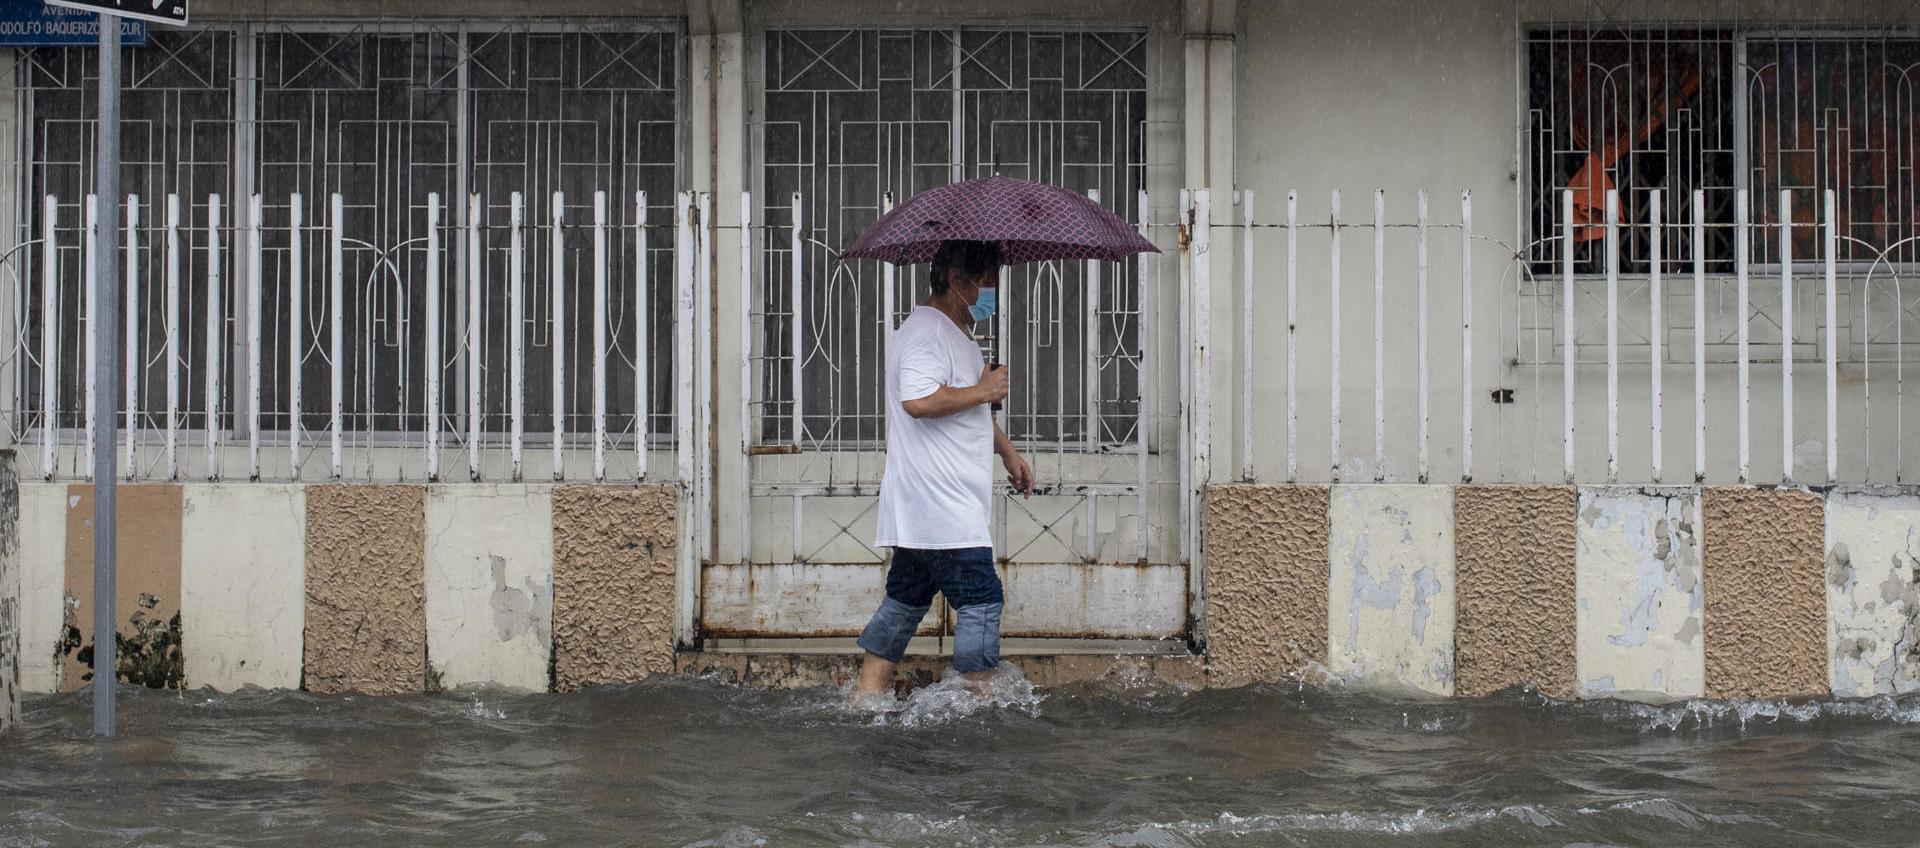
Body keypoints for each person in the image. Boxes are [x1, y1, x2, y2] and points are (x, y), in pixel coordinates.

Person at [854, 239, 1034, 698]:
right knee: (981, 599)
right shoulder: (927, 334)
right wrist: (984, 389)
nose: (991, 296)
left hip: (927, 510)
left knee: (904, 602)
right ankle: (975, 702)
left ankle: (865, 700)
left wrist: (1007, 452)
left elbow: (963, 407)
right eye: (987, 285)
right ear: (957, 281)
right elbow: (917, 401)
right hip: (943, 509)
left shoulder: (956, 336)